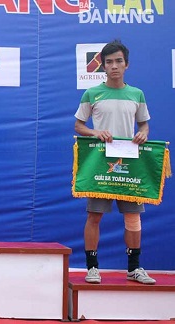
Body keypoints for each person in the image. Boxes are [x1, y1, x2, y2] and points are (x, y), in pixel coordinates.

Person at [74, 40, 155, 285]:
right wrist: (95, 133)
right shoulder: (91, 94)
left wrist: (144, 133)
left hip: (130, 164)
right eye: (109, 62)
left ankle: (134, 267)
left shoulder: (137, 94)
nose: (114, 66)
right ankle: (92, 268)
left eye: (118, 61)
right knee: (94, 216)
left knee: (132, 218)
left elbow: (143, 124)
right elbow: (78, 125)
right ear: (103, 67)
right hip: (100, 164)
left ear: (126, 64)